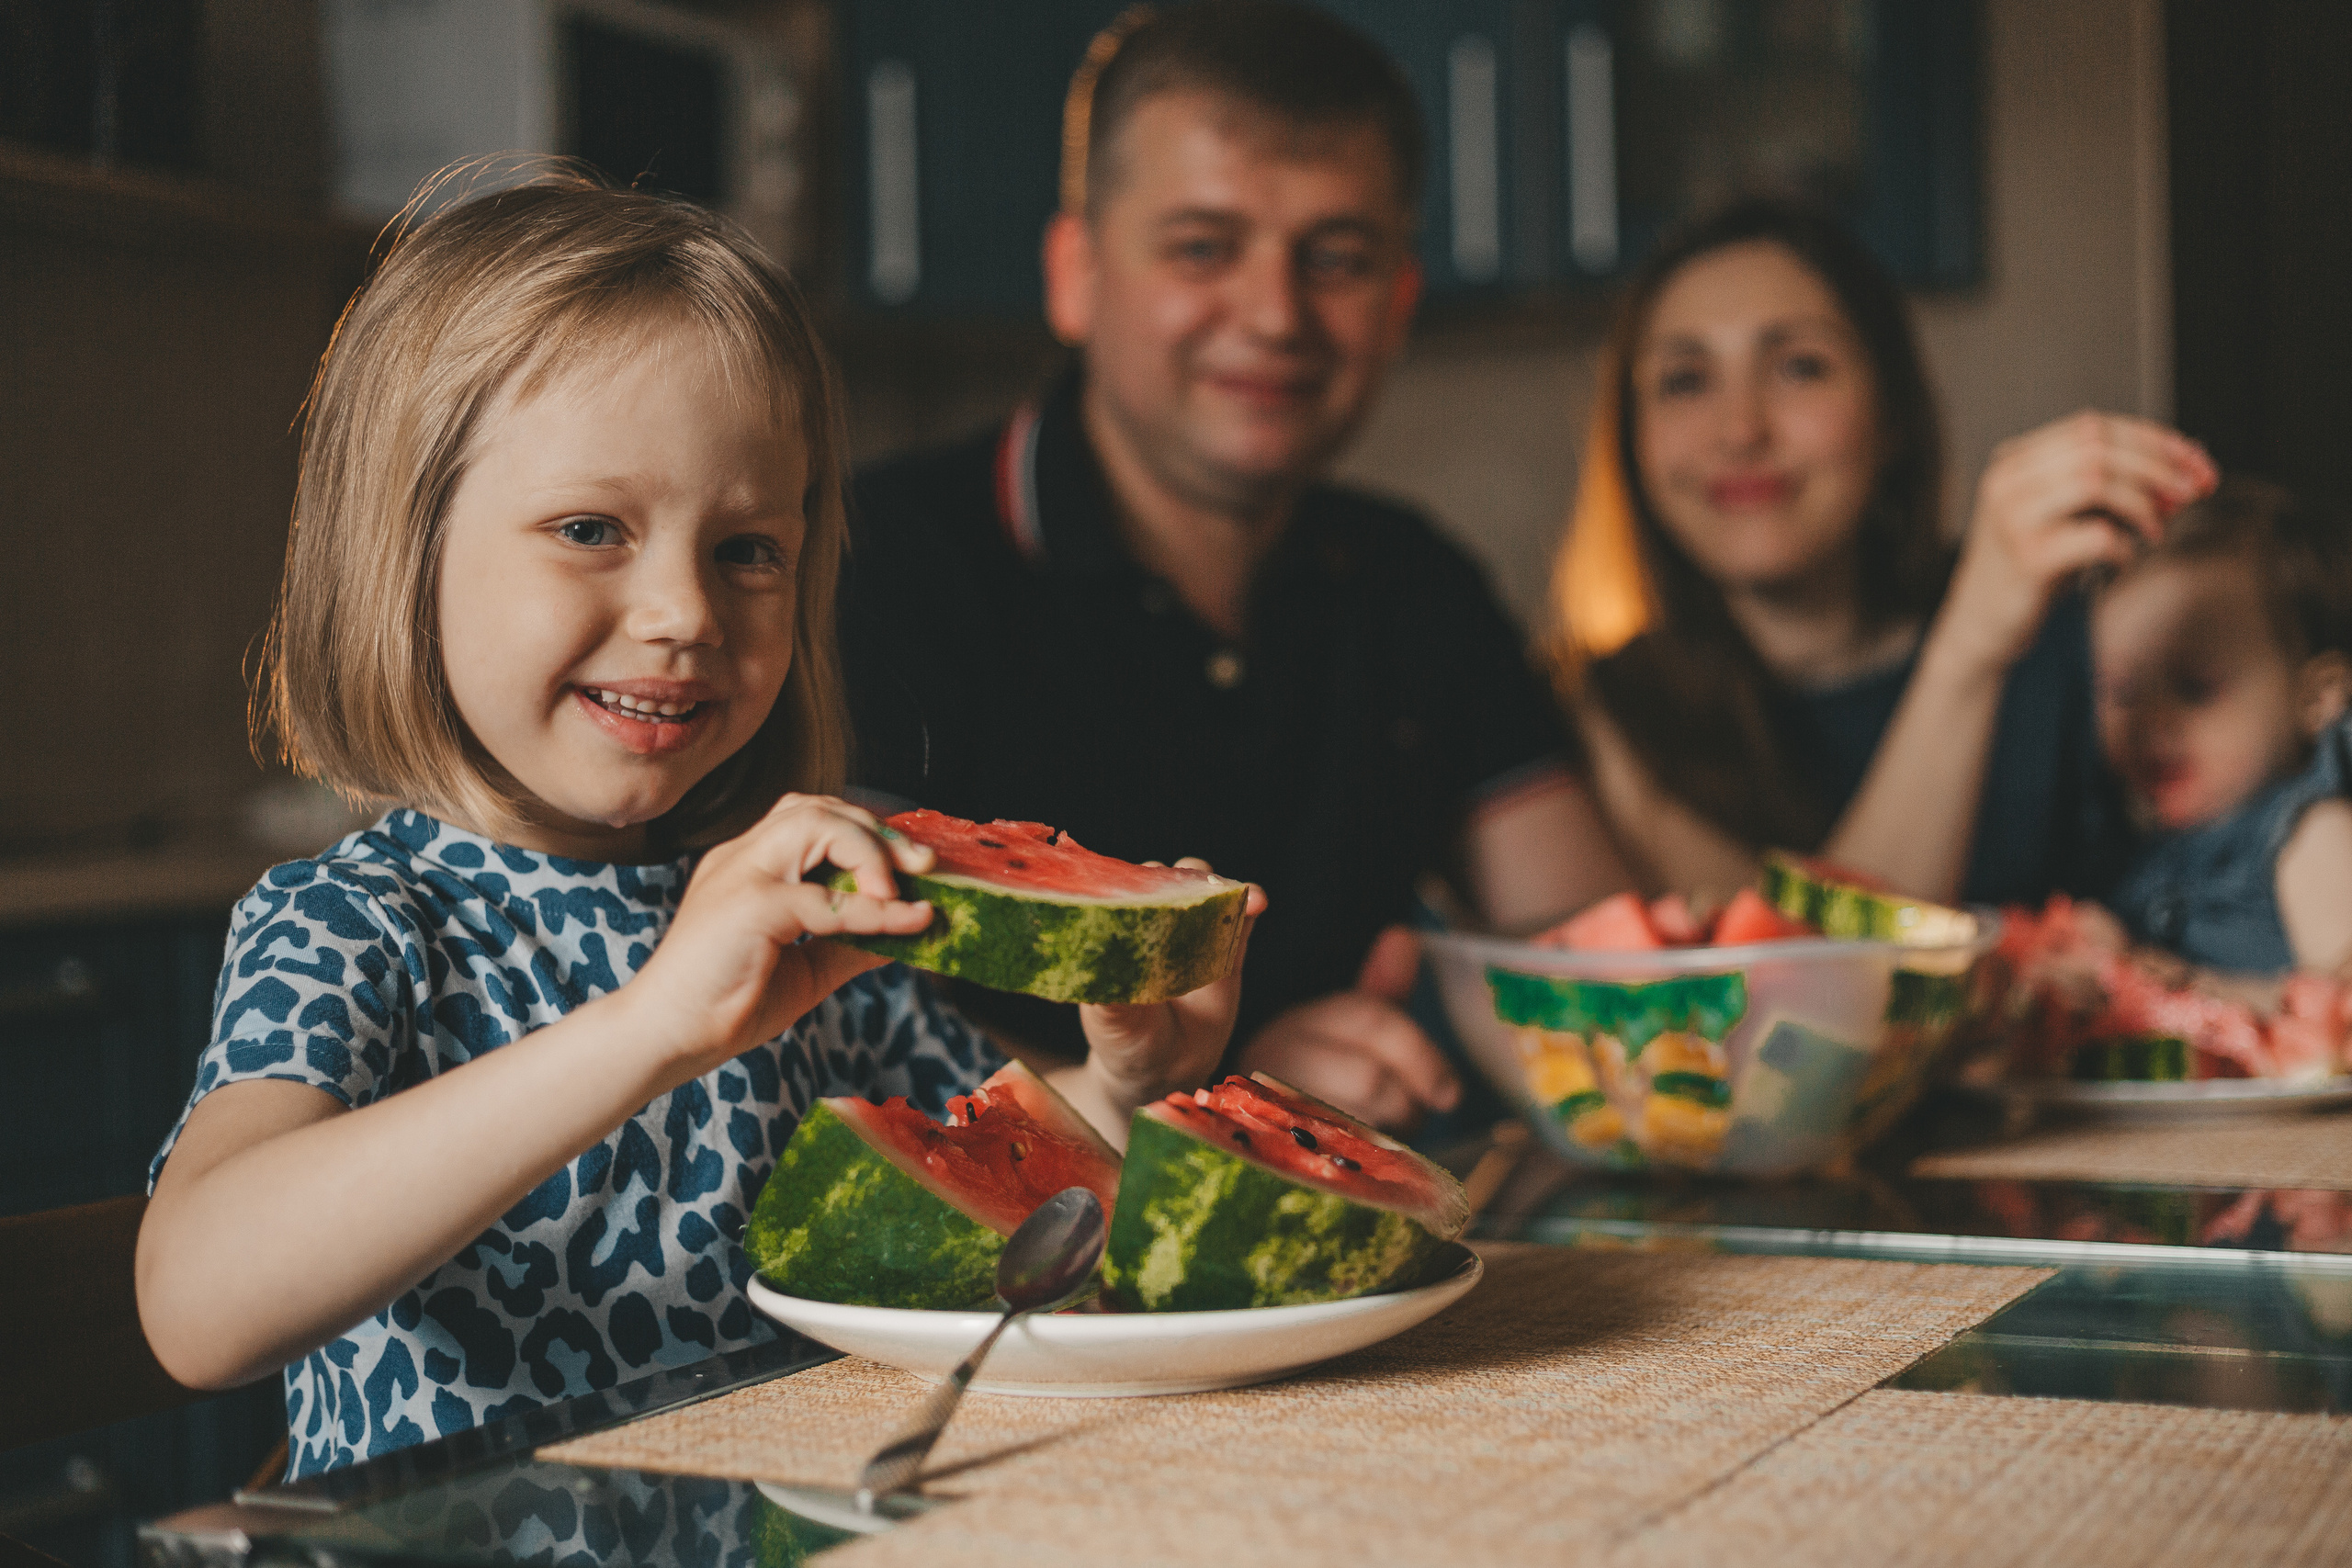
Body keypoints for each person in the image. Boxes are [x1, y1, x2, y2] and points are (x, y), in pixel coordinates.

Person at [133, 175, 1260, 1477]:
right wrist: (651, 1023)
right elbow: (199, 1304)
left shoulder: (784, 905)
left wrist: (1125, 1074)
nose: (683, 609)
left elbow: (992, 1168)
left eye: (747, 550)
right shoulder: (360, 921)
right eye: (592, 529)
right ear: (408, 549)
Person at [841, 1, 1632, 1133]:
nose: (1274, 313)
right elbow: (829, 1001)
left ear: (1398, 304)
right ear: (1075, 274)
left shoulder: (1419, 582)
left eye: (1338, 258)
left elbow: (1592, 948)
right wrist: (1212, 1085)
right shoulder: (876, 563)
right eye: (1203, 248)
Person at [1554, 198, 2220, 908]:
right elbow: (1788, 991)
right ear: (1631, 440)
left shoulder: (2077, 636)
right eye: (1685, 381)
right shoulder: (1606, 714)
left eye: (1799, 367)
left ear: (1893, 413)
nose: (1739, 429)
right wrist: (1969, 645)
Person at [2094, 479, 2352, 973]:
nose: (2148, 722)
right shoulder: (2152, 842)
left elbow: (2339, 1014)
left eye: (2194, 689)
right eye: (2123, 692)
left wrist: (2182, 987)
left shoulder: (2309, 835)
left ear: (2316, 699)